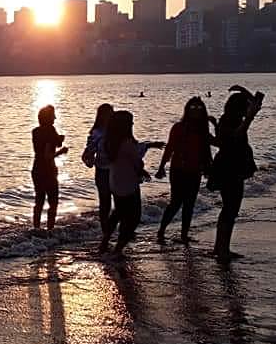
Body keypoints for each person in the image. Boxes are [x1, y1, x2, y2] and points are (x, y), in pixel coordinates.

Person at [209, 86, 263, 262]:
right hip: (229, 168)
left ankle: (221, 247)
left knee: (230, 208)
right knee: (230, 208)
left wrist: (241, 89)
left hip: (232, 166)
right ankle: (222, 249)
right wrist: (249, 119)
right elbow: (235, 136)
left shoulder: (228, 119)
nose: (249, 108)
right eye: (245, 106)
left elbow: (257, 101)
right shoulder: (229, 121)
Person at [156, 97, 216, 243]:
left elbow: (216, 143)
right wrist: (161, 167)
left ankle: (184, 235)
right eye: (193, 108)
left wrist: (216, 124)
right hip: (178, 170)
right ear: (187, 110)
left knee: (189, 204)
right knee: (176, 202)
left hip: (195, 171)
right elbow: (170, 148)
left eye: (199, 108)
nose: (196, 111)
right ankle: (161, 231)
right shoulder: (178, 127)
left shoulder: (202, 130)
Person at [99, 111, 147, 255]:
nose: (132, 124)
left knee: (118, 212)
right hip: (129, 182)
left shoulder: (108, 142)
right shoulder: (127, 143)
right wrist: (142, 170)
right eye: (130, 122)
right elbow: (137, 161)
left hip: (114, 181)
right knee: (133, 217)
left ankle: (105, 241)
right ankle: (119, 247)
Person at [31, 105, 68, 230]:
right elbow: (48, 156)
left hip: (36, 168)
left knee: (39, 201)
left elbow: (44, 147)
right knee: (53, 202)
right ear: (48, 118)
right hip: (48, 170)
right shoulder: (50, 130)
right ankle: (50, 230)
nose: (55, 118)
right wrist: (61, 151)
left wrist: (57, 140)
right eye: (53, 116)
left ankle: (36, 228)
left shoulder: (35, 131)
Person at [82, 103, 114, 229]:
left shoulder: (117, 131)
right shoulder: (96, 133)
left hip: (117, 170)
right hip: (102, 170)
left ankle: (116, 227)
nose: (110, 116)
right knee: (105, 201)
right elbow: (87, 153)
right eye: (108, 114)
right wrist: (89, 161)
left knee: (120, 200)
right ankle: (105, 228)